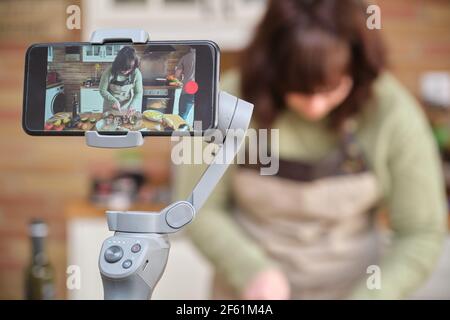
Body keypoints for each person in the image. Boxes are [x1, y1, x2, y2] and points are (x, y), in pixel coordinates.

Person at [176, 0, 447, 299]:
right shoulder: (228, 104)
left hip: (354, 287)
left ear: (357, 68)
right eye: (298, 89)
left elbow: (420, 231)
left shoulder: (391, 112)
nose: (315, 106)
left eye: (331, 88)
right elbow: (197, 210)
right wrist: (251, 271)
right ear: (270, 67)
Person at [99, 46, 143, 114]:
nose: (126, 71)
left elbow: (138, 92)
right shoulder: (109, 71)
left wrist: (133, 105)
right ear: (118, 63)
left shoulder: (136, 73)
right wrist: (113, 101)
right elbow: (102, 90)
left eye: (129, 69)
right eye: (123, 68)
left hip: (127, 107)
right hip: (110, 106)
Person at [175, 48, 196, 121]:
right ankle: (197, 132)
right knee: (199, 117)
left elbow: (177, 75)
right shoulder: (205, 57)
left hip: (190, 87)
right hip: (203, 89)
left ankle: (181, 132)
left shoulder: (186, 57)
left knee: (182, 116)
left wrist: (181, 79)